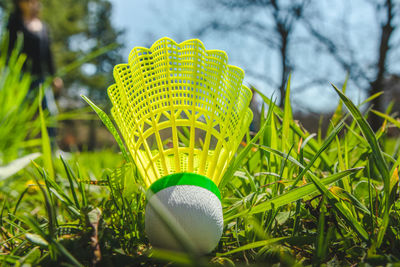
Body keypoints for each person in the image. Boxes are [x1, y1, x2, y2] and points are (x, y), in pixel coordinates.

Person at [7, 0, 63, 148]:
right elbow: (9, 50)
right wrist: (10, 77)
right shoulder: (15, 22)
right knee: (19, 114)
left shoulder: (43, 26)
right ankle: (15, 148)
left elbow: (48, 54)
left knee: (50, 112)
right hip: (21, 77)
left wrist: (54, 76)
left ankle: (52, 150)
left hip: (41, 78)